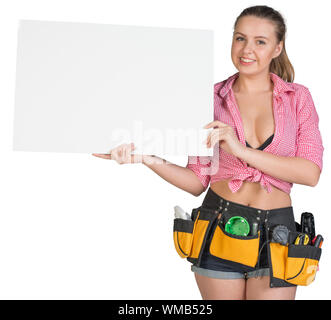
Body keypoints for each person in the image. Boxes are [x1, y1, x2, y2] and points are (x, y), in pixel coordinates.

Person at [92, 5, 324, 300]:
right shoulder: (208, 98)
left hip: (278, 232)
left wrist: (239, 150)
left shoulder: (297, 97)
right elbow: (196, 182)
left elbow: (310, 173)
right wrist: (145, 158)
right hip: (218, 224)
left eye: (260, 41)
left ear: (278, 48)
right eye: (240, 38)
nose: (246, 49)